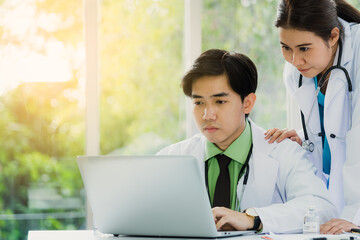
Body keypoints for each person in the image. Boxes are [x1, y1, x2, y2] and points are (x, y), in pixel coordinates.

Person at [157, 49, 336, 233]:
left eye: (219, 102)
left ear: (247, 103)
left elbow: (320, 207)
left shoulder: (283, 152)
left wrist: (253, 219)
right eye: (198, 103)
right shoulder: (170, 159)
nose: (207, 115)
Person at [264, 0, 360, 234]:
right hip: (334, 210)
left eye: (304, 48)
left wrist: (355, 218)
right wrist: (303, 140)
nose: (295, 60)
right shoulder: (298, 71)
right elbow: (329, 134)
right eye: (286, 47)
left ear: (333, 36)